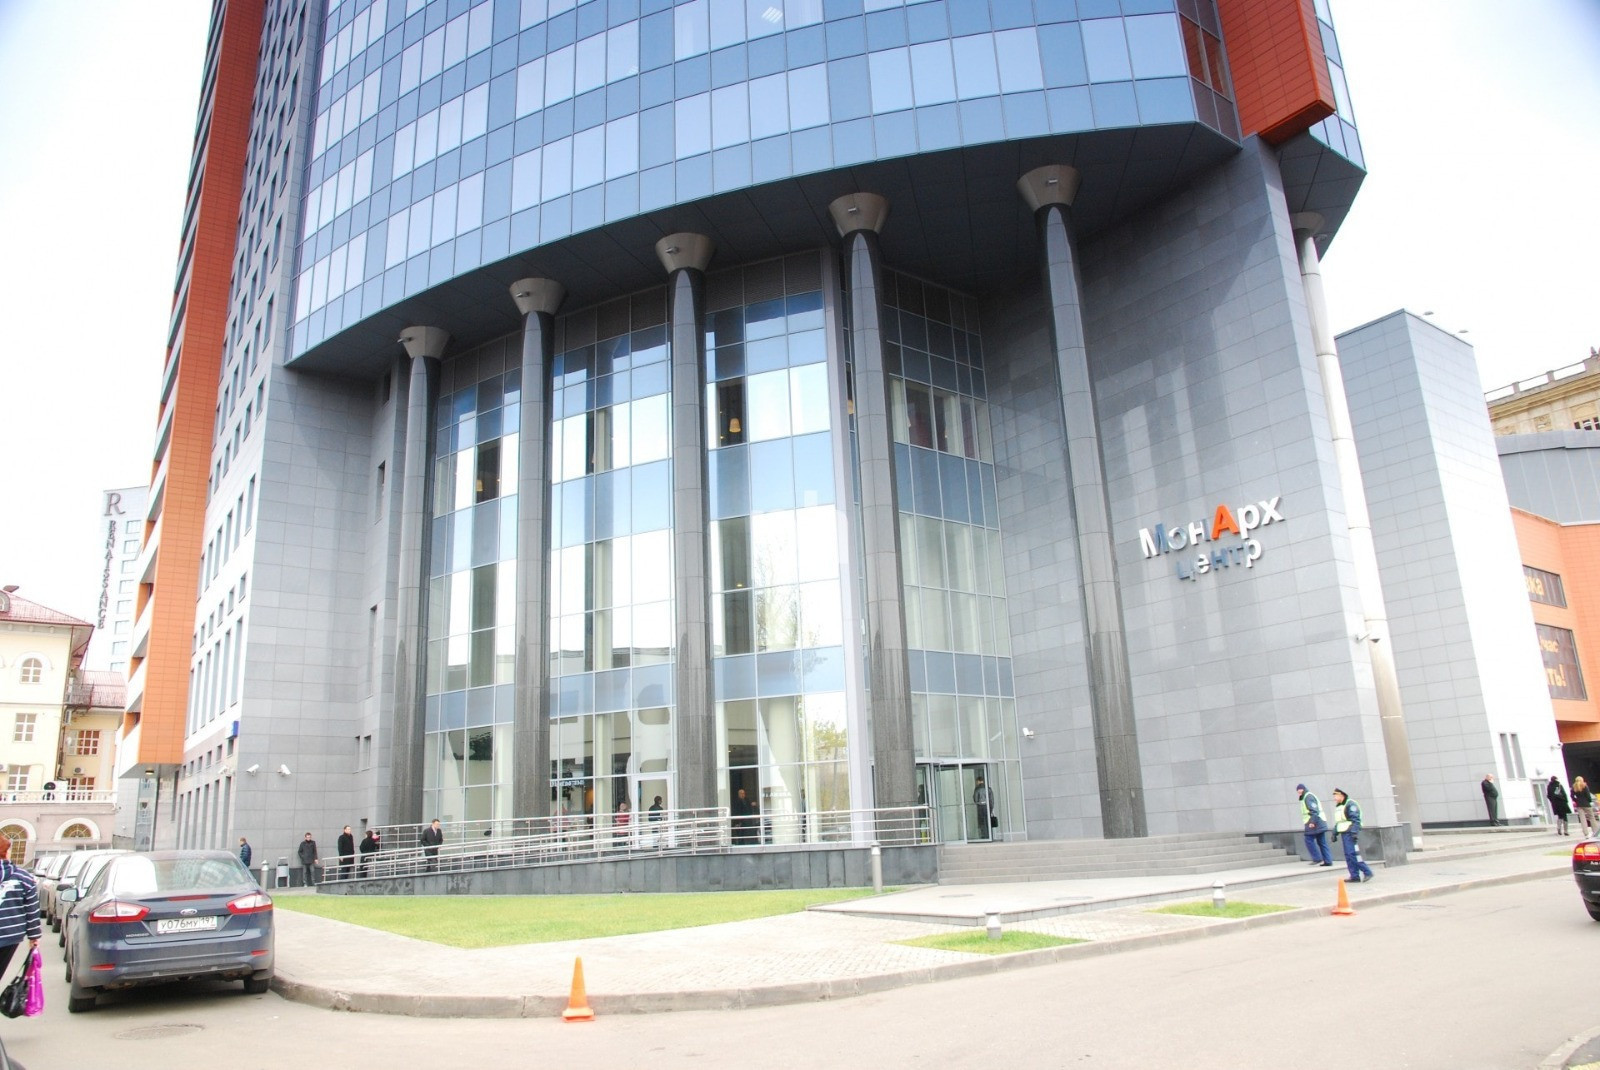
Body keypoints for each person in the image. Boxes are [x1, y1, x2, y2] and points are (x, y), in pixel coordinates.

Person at [0, 839, 42, 979]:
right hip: (9, 935)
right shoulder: (24, 878)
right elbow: (32, 910)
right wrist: (34, 936)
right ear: (6, 852)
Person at [1330, 788, 1375, 883]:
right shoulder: (1339, 806)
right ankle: (1354, 876)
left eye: (1335, 796)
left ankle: (1367, 872)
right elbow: (1339, 822)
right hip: (1344, 832)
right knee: (1348, 855)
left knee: (1352, 854)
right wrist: (1334, 833)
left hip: (1350, 832)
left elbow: (1356, 820)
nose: (1334, 798)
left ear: (1341, 795)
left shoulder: (1350, 804)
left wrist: (1354, 832)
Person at [1296, 783, 1333, 866]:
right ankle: (1328, 861)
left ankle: (1317, 858)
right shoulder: (1308, 796)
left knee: (1308, 839)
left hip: (1314, 822)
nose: (1298, 793)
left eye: (1299, 791)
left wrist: (1312, 822)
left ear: (1302, 789)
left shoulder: (1307, 797)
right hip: (1320, 821)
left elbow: (1314, 810)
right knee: (1322, 842)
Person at [973, 777, 996, 841]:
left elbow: (975, 799)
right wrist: (991, 808)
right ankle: (989, 835)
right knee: (988, 821)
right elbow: (991, 800)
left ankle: (984, 836)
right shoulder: (988, 789)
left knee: (982, 821)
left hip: (981, 806)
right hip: (988, 806)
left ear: (978, 781)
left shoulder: (977, 789)